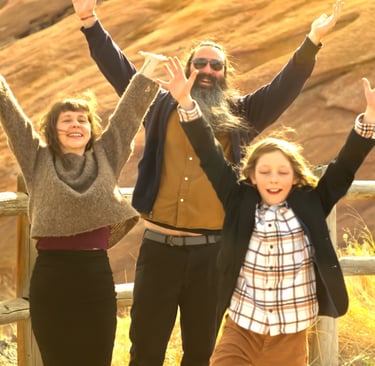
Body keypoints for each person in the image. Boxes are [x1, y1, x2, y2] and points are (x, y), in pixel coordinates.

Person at [72, 1, 344, 365]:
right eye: (199, 63)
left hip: (214, 255)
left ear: (225, 73)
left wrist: (312, 39)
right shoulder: (159, 106)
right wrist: (89, 20)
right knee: (145, 351)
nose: (207, 70)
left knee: (200, 354)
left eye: (216, 65)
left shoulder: (243, 114)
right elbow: (120, 70)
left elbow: (286, 85)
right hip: (158, 252)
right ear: (187, 70)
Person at [160, 56, 375, 365]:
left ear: (297, 177)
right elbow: (209, 153)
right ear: (250, 176)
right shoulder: (239, 199)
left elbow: (344, 168)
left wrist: (368, 119)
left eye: (282, 172)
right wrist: (186, 104)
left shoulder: (311, 201)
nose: (274, 179)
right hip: (241, 328)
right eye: (265, 172)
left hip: (290, 334)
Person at [0, 53, 164, 366]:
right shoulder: (36, 159)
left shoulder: (107, 155)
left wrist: (150, 70)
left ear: (90, 128)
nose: (76, 125)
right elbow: (12, 118)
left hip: (95, 278)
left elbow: (128, 115)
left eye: (82, 120)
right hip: (52, 279)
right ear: (52, 128)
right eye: (67, 120)